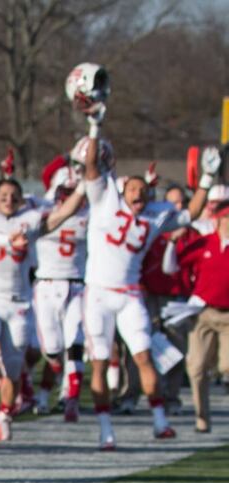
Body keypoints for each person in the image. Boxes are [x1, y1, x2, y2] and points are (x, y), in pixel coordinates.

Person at [75, 123, 211, 447]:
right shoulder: (103, 200)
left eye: (143, 190)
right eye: (133, 189)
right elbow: (92, 167)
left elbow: (191, 212)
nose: (138, 194)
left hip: (130, 294)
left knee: (144, 357)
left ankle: (160, 420)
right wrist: (94, 127)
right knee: (100, 361)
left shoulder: (155, 214)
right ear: (123, 191)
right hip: (98, 294)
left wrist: (207, 179)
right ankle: (106, 428)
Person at [0, 176, 81, 439]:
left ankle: (4, 413)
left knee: (13, 367)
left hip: (18, 303)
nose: (9, 200)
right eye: (3, 195)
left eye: (14, 195)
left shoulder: (32, 220)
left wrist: (84, 186)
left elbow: (65, 212)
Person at [31, 164, 90, 420]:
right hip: (46, 284)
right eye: (62, 190)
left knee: (75, 344)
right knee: (52, 350)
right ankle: (59, 381)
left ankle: (71, 398)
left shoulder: (92, 213)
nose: (66, 195)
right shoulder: (40, 210)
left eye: (72, 190)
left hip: (77, 284)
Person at [173, 178, 229, 432]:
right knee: (195, 367)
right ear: (217, 221)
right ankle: (201, 416)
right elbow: (174, 265)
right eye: (226, 219)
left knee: (226, 365)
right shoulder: (205, 243)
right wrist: (173, 243)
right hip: (204, 312)